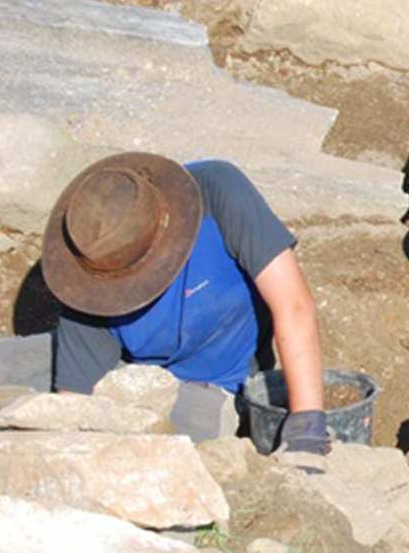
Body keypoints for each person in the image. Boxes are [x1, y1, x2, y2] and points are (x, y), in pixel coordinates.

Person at [38, 152, 329, 454]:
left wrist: (306, 428)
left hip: (210, 388)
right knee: (6, 373)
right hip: (130, 378)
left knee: (160, 444)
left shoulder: (218, 195)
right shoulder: (87, 265)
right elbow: (75, 404)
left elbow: (293, 304)